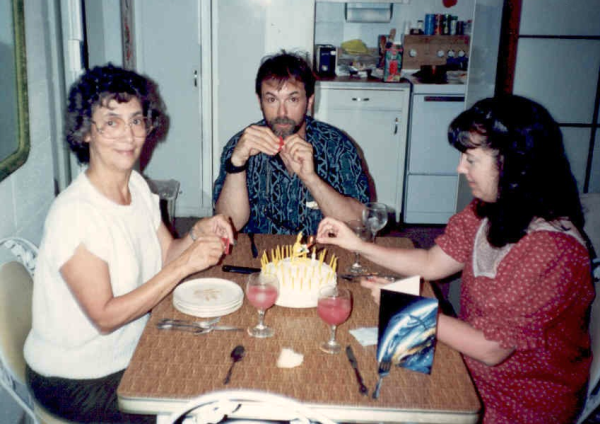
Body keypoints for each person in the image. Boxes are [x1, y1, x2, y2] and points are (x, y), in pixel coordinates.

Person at [316, 95, 594, 423]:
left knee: (374, 395)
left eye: (471, 159)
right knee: (351, 368)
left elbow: (492, 349)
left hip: (517, 398)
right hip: (465, 356)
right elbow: (432, 263)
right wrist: (358, 245)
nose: (461, 168)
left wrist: (409, 307)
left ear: (513, 162)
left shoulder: (552, 249)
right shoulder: (490, 209)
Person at [24, 64, 234, 423]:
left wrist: (197, 233)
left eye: (136, 120)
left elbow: (167, 255)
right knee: (194, 408)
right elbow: (105, 317)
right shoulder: (75, 214)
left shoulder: (136, 185)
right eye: (111, 122)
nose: (129, 135)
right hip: (75, 378)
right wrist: (187, 264)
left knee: (217, 362)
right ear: (85, 131)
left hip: (128, 350)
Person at [213, 51, 369, 235]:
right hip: (257, 250)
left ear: (309, 101)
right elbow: (227, 226)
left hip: (321, 249)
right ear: (260, 101)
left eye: (293, 99)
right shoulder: (240, 146)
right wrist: (237, 165)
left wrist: (311, 179)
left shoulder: (338, 147)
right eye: (271, 99)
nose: (282, 112)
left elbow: (359, 222)